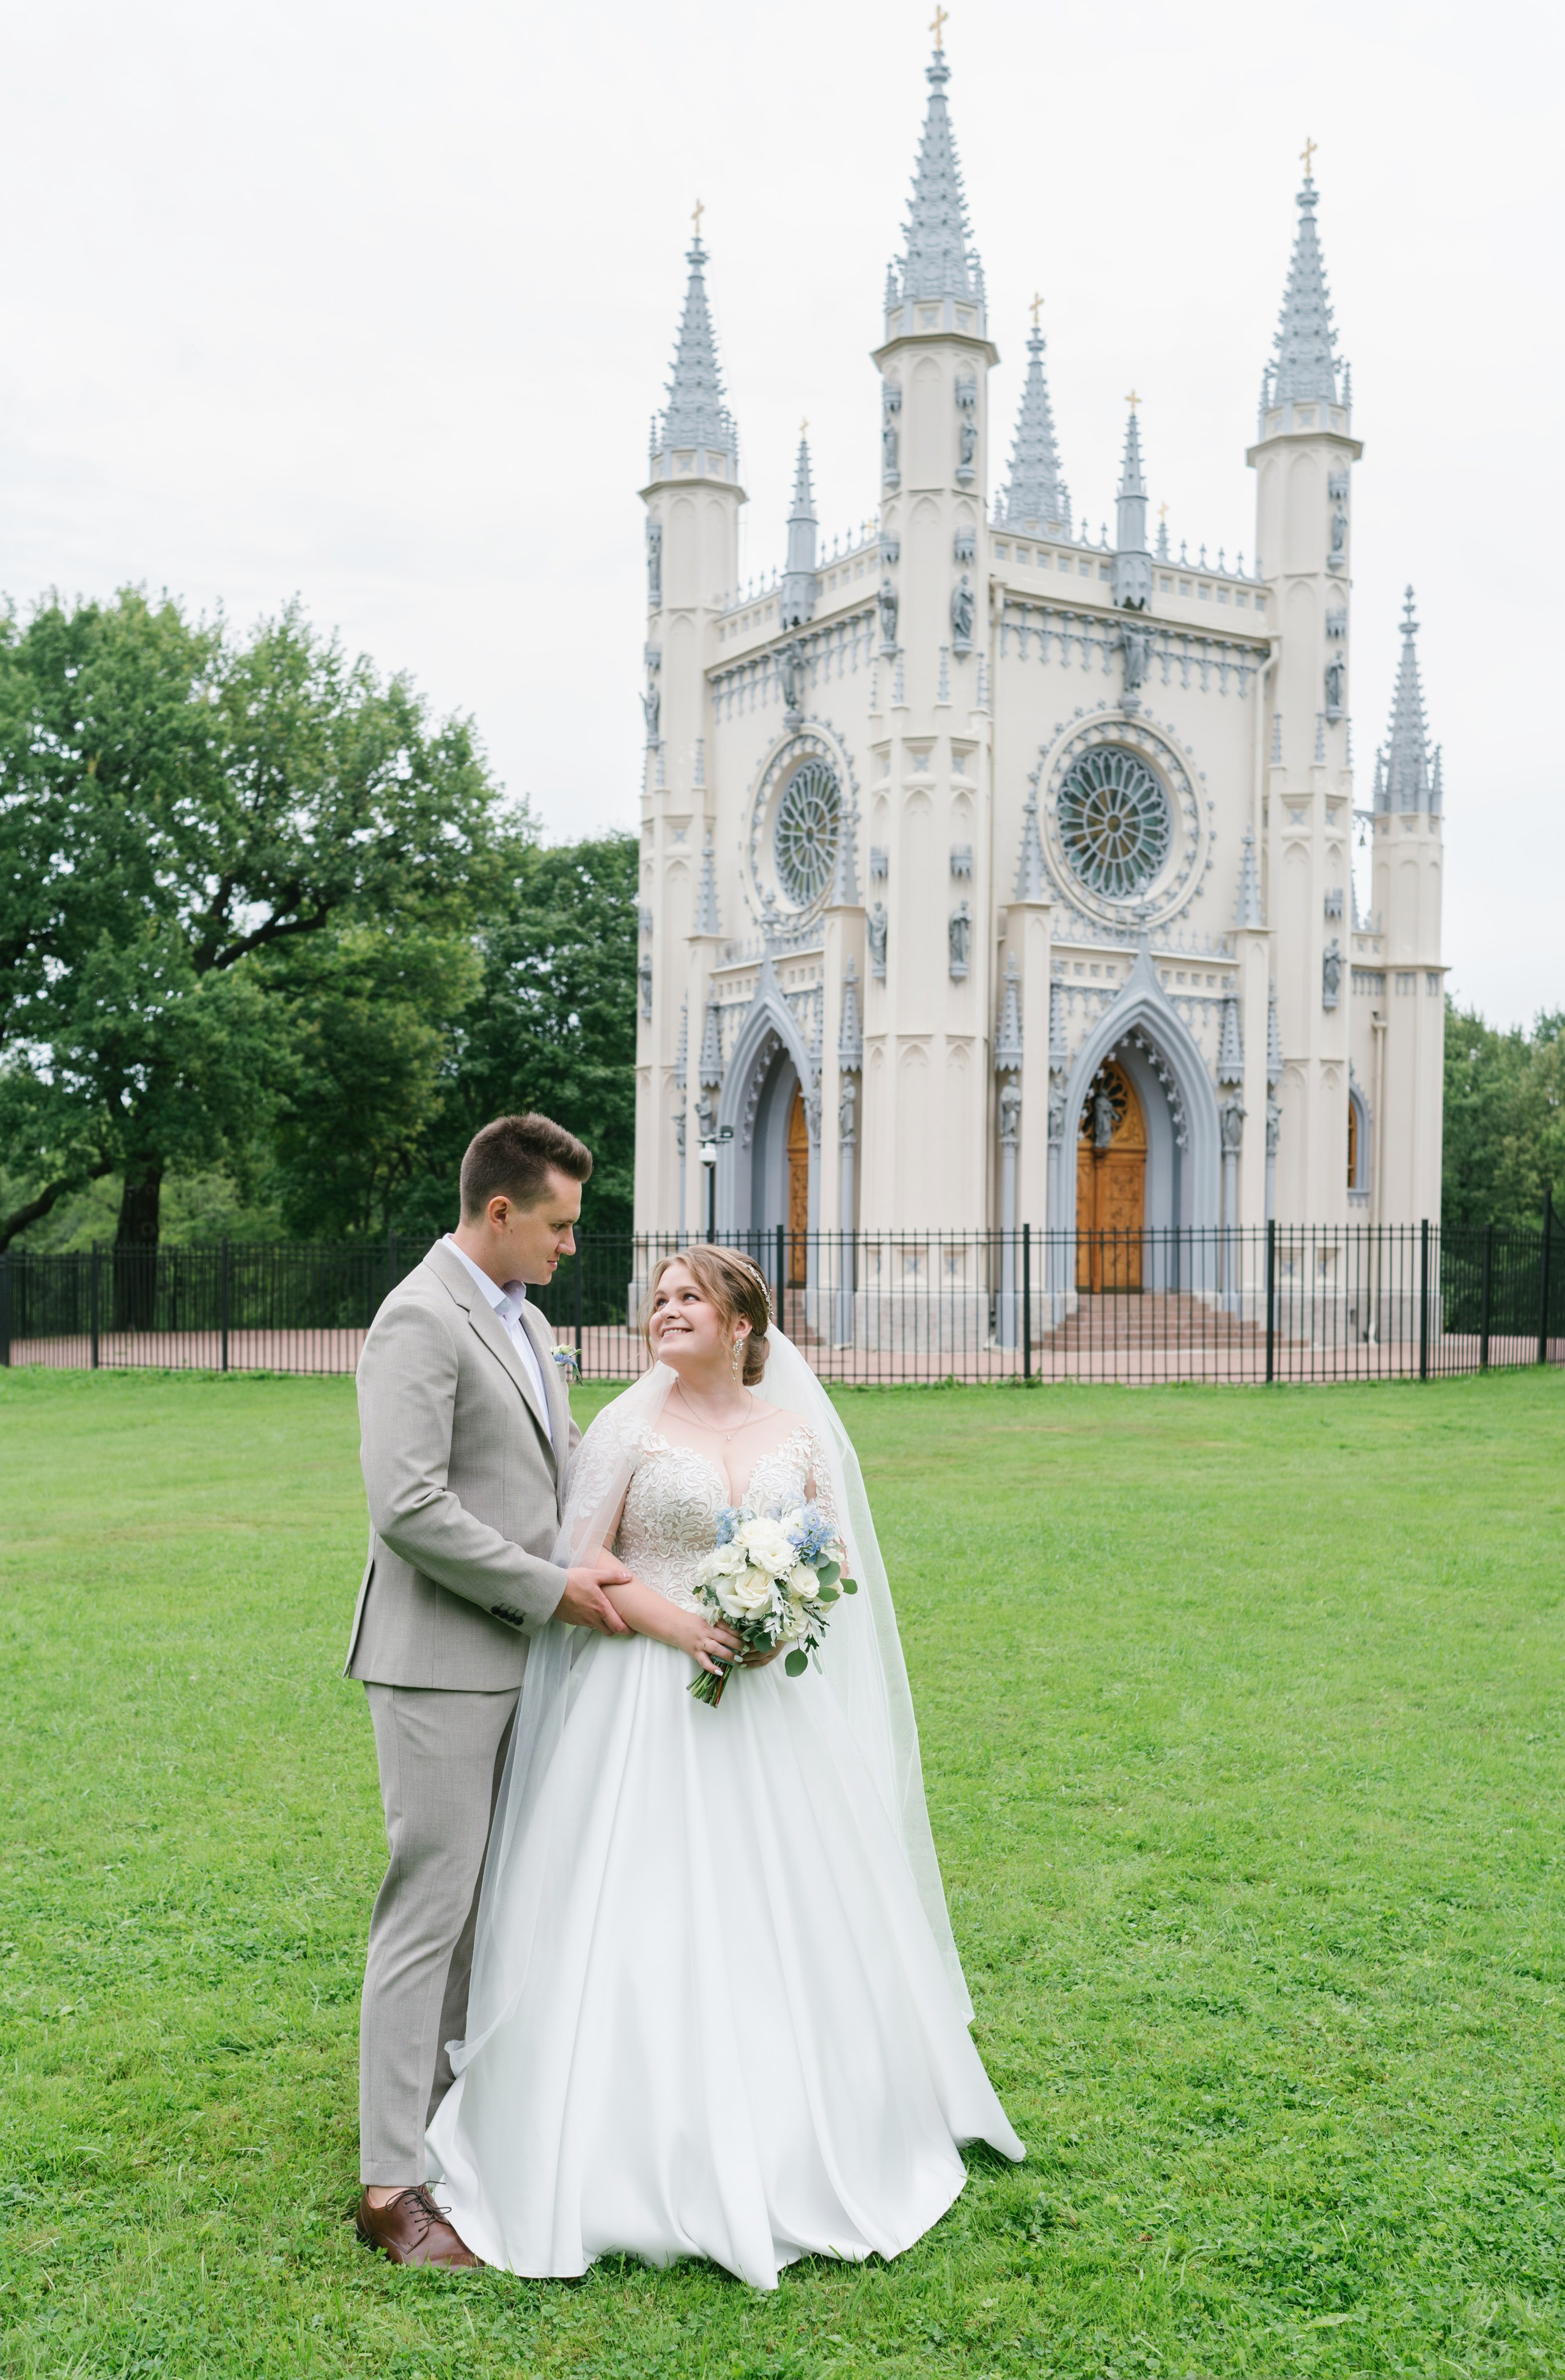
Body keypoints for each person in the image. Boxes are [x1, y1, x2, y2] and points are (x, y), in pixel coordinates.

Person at [428, 1244, 1023, 2288]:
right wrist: (679, 1623)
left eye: (687, 1299)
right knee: (640, 1912)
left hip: (768, 1708)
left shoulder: (794, 1432)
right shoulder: (625, 1427)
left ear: (742, 1322)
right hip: (642, 1707)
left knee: (786, 1910)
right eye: (656, 1299)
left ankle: (813, 2128)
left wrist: (776, 1604)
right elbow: (576, 1566)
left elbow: (832, 1555)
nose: (664, 1312)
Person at [348, 1112, 633, 2270]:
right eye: (560, 1226)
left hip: (528, 1655)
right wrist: (552, 1590)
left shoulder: (532, 1321)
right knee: (430, 1908)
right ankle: (388, 2189)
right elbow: (408, 1508)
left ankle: (447, 2129)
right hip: (440, 1662)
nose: (573, 1246)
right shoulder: (418, 1319)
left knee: (491, 1905)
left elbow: (546, 1477)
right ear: (501, 1211)